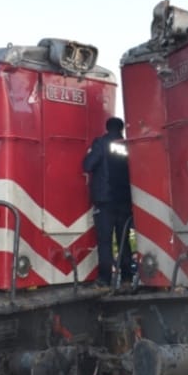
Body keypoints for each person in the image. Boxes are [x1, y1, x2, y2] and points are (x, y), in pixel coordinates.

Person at [83, 117, 134, 287]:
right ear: (121, 129)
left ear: (107, 128)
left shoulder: (101, 143)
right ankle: (127, 278)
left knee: (105, 241)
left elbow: (88, 165)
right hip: (125, 201)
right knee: (123, 240)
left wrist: (89, 153)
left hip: (106, 201)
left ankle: (105, 279)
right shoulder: (127, 145)